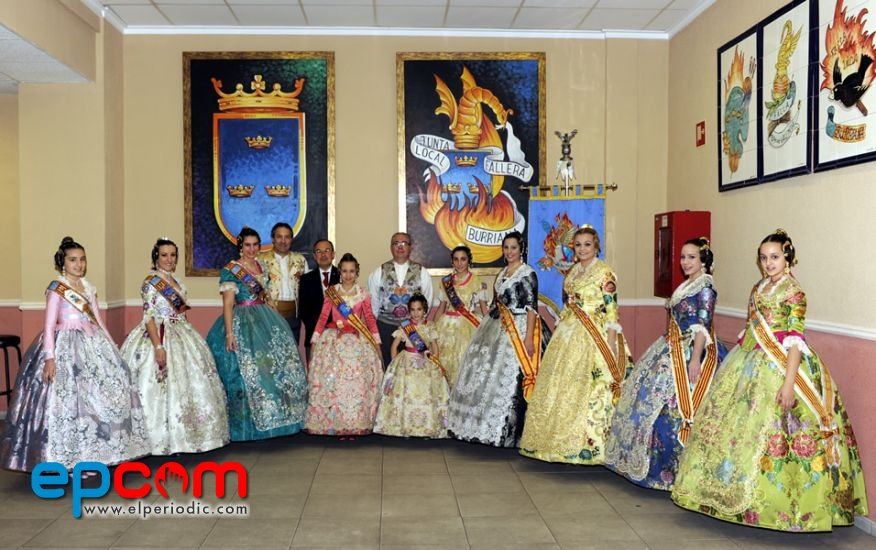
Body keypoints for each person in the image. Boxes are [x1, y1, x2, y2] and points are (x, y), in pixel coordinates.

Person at [671, 229, 868, 532]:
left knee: (779, 432)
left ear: (788, 258)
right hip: (750, 360)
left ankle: (781, 509)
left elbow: (795, 341)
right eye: (764, 258)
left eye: (774, 257)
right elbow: (751, 326)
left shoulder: (794, 292)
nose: (768, 263)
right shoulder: (759, 287)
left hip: (783, 366)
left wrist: (788, 384)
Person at [0, 237, 150, 472]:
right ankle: (66, 460)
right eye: (73, 260)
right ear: (63, 262)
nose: (79, 264)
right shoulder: (57, 288)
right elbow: (49, 325)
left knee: (95, 404)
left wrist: (113, 348)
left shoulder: (89, 288)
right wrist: (50, 358)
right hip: (64, 346)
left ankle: (92, 456)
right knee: (69, 404)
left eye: (82, 260)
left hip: (92, 344)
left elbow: (98, 320)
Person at [605, 237, 727, 489]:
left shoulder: (706, 287)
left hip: (693, 351)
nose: (685, 262)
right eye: (683, 257)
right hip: (672, 347)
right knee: (645, 400)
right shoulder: (687, 285)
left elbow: (703, 326)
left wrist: (695, 360)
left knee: (672, 408)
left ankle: (672, 470)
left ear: (703, 260)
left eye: (692, 257)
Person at [519, 226, 631, 464]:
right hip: (569, 332)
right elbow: (569, 304)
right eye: (578, 245)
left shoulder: (605, 272)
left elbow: (612, 309)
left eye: (587, 244)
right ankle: (554, 443)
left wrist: (611, 342)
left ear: (596, 246)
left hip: (596, 334)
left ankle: (591, 446)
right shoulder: (573, 272)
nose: (582, 249)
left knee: (591, 387)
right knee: (560, 387)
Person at [120, 237, 229, 455]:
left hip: (180, 332)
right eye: (164, 255)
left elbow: (181, 313)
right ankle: (157, 441)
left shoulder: (176, 281)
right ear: (156, 257)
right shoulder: (150, 282)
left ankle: (186, 439)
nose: (169, 259)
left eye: (173, 255)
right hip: (158, 334)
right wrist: (158, 347)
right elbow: (148, 317)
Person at [206, 227, 308, 441]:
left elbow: (266, 295)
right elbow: (228, 304)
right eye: (247, 245)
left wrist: (275, 315)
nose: (252, 249)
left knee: (274, 368)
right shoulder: (231, 270)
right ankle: (246, 424)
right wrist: (229, 333)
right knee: (245, 372)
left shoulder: (261, 266)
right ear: (240, 247)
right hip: (241, 318)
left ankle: (278, 418)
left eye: (255, 245)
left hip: (264, 317)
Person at [448, 232, 548, 448]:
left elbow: (532, 308)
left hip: (520, 328)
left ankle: (513, 431)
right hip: (499, 326)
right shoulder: (502, 273)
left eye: (513, 248)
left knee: (513, 378)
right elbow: (495, 304)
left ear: (521, 250)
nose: (509, 252)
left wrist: (529, 338)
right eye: (506, 247)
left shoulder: (527, 273)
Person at [306, 253, 383, 437]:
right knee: (334, 381)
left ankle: (357, 422)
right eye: (345, 271)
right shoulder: (332, 292)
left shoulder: (363, 293)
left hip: (358, 340)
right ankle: (335, 422)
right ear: (340, 272)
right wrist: (315, 339)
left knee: (358, 381)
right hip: (334, 339)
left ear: (357, 273)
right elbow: (323, 317)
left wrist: (377, 342)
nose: (348, 275)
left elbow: (370, 319)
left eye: (352, 271)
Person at [374, 293, 449, 438]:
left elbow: (434, 346)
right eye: (413, 310)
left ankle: (426, 427)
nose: (416, 313)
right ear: (409, 311)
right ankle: (404, 425)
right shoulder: (405, 326)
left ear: (425, 310)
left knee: (426, 392)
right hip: (407, 361)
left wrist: (436, 362)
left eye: (419, 309)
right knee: (406, 392)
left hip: (425, 362)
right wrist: (394, 363)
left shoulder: (430, 326)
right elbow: (394, 346)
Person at [367, 232, 433, 365]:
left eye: (404, 243)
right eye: (396, 243)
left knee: (412, 364)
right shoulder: (379, 271)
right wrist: (383, 320)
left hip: (413, 326)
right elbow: (373, 299)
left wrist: (418, 321)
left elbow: (428, 299)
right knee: (387, 362)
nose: (400, 246)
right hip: (386, 326)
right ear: (391, 247)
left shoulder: (422, 272)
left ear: (410, 247)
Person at [432, 245, 489, 387]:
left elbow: (484, 309)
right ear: (452, 261)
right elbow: (441, 308)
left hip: (468, 326)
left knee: (464, 363)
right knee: (444, 363)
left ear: (469, 260)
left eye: (463, 259)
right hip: (446, 327)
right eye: (456, 259)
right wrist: (432, 329)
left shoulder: (477, 282)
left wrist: (490, 328)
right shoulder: (446, 282)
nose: (459, 263)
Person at [258, 222, 309, 344]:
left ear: (291, 239)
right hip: (268, 315)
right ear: (273, 239)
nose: (283, 241)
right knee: (270, 351)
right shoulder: (260, 260)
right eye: (279, 237)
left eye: (287, 237)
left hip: (293, 317)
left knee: (292, 351)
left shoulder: (300, 260)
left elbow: (306, 289)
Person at [298, 239, 340, 361]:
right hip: (314, 336)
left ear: (333, 254)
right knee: (314, 371)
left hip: (339, 336)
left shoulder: (342, 276)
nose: (323, 254)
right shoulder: (306, 279)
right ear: (314, 256)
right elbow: (303, 311)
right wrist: (319, 328)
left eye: (327, 251)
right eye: (319, 251)